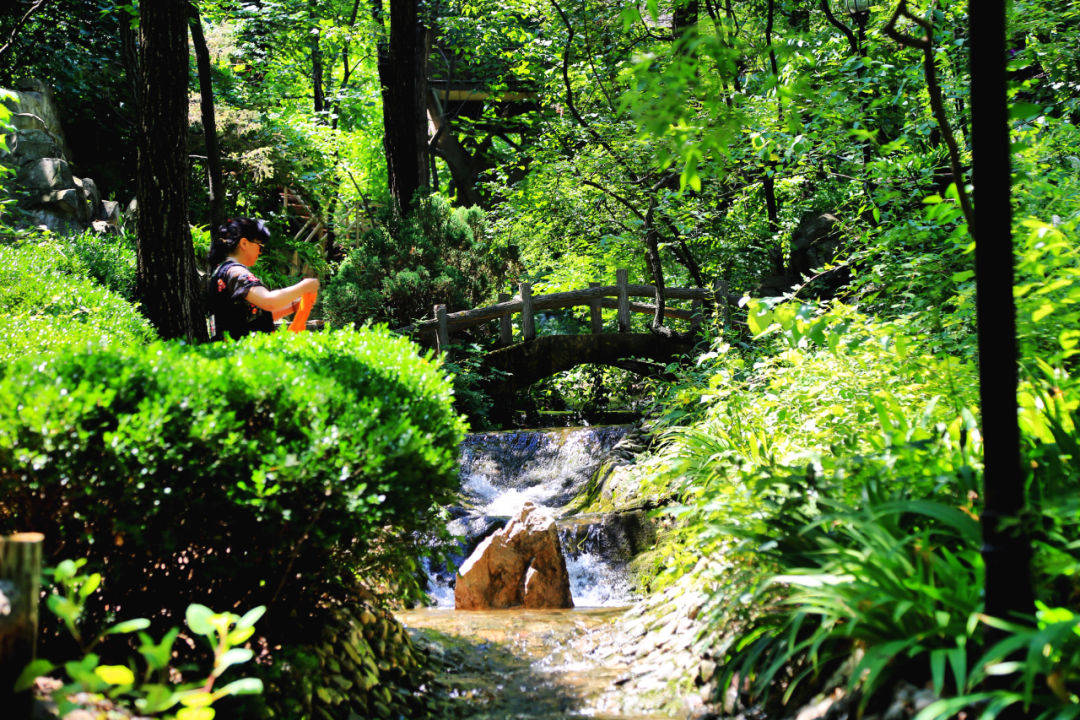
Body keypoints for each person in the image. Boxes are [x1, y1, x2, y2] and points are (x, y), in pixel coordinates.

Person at [207, 217, 319, 341]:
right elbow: (269, 301)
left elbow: (250, 318)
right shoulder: (237, 273)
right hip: (242, 355)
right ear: (244, 243)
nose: (260, 252)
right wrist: (304, 286)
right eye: (260, 246)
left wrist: (293, 306)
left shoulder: (222, 271)